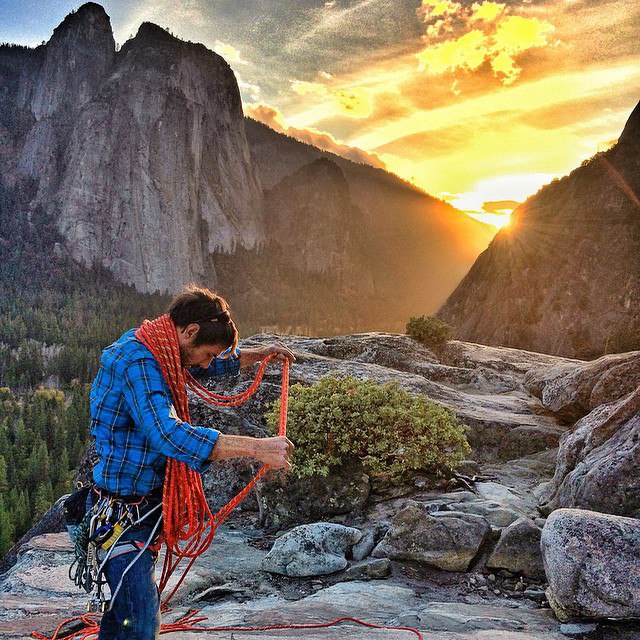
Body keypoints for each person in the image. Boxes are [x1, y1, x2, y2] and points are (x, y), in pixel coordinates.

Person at [87, 285, 295, 639]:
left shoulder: (157, 346)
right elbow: (168, 435)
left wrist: (259, 354)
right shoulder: (139, 362)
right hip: (124, 515)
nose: (208, 362)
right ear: (190, 332)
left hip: (137, 510)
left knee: (125, 612)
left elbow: (196, 367)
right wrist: (259, 448)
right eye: (208, 353)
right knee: (139, 621)